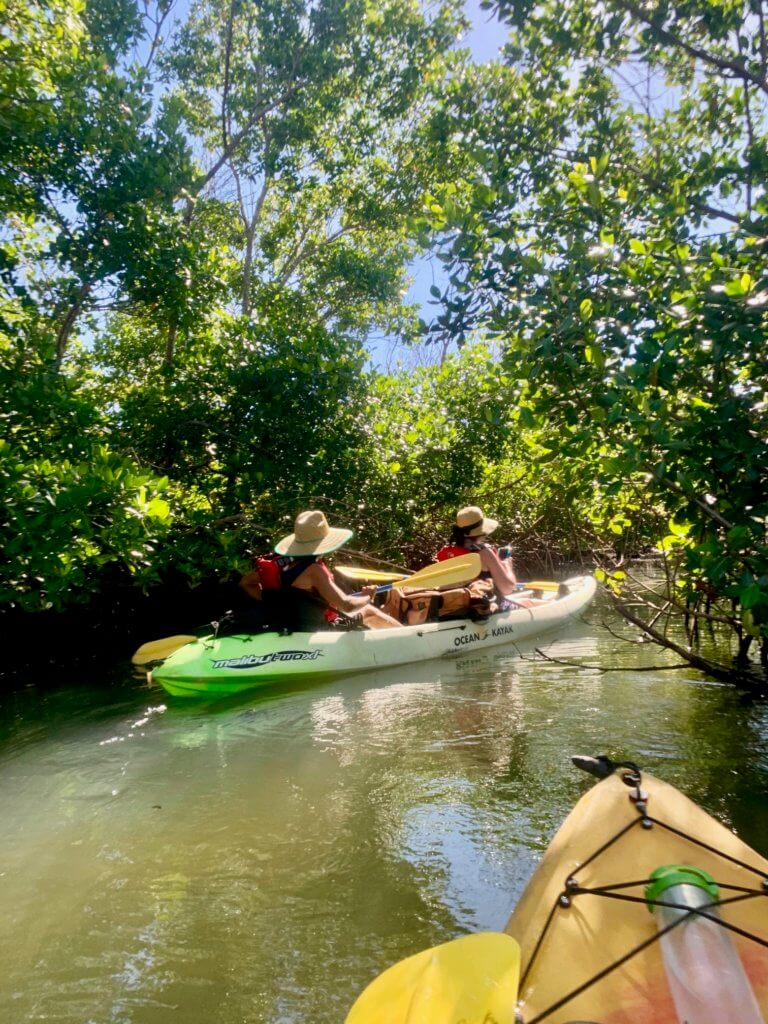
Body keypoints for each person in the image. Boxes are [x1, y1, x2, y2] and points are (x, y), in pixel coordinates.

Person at [263, 510, 400, 631]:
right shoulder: (314, 571)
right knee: (369, 611)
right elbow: (348, 605)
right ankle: (413, 639)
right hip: (317, 631)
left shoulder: (281, 563)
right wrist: (368, 596)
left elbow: (247, 583)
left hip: (289, 628)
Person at [436, 505, 518, 599]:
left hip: (453, 607)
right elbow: (508, 588)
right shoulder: (484, 553)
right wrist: (507, 565)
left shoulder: (446, 553)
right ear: (482, 531)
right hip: (482, 609)